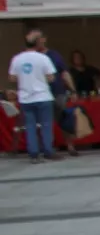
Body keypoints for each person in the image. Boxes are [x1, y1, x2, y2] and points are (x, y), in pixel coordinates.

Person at [7, 32, 58, 162]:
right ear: (37, 44)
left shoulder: (17, 59)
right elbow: (51, 77)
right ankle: (48, 151)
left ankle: (33, 154)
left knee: (30, 126)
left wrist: (24, 77)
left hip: (25, 97)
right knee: (46, 125)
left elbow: (12, 77)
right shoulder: (43, 58)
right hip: (43, 95)